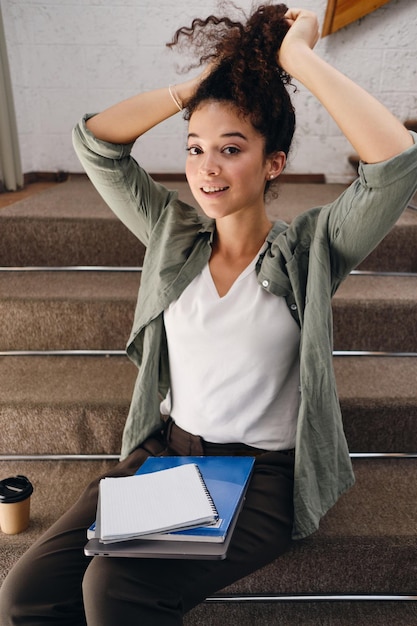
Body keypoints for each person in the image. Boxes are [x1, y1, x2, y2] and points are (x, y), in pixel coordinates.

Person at [1, 4, 416, 625]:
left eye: (230, 148)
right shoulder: (175, 235)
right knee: (26, 591)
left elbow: (394, 165)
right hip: (169, 459)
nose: (206, 168)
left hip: (259, 478)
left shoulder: (310, 250)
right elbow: (97, 144)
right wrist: (200, 88)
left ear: (274, 162)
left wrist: (298, 57)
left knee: (115, 589)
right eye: (195, 147)